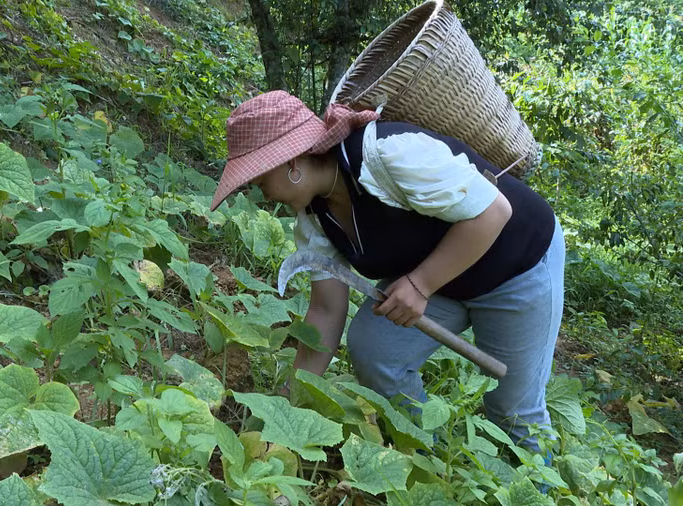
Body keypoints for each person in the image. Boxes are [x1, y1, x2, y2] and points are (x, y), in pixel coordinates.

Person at [209, 90, 565, 453]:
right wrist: (290, 398)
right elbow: (326, 310)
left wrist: (420, 285)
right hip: (442, 278)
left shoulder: (388, 155)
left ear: (290, 160)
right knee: (376, 349)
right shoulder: (314, 218)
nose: (262, 194)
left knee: (513, 410)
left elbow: (493, 212)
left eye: (261, 181)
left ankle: (538, 478)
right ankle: (430, 456)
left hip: (516, 264)